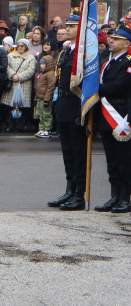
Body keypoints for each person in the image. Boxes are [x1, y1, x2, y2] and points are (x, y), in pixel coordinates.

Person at [47, 16, 88, 210]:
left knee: (78, 152)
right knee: (67, 152)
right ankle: (69, 189)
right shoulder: (65, 51)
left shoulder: (83, 53)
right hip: (63, 104)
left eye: (72, 26)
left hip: (76, 105)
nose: (68, 29)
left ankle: (79, 194)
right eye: (67, 26)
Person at [93, 25, 131, 212]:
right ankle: (114, 196)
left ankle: (125, 198)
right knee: (112, 161)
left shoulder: (128, 63)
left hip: (121, 117)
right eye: (110, 38)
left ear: (126, 44)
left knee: (124, 161)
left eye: (116, 39)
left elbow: (118, 87)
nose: (110, 40)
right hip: (106, 117)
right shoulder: (107, 62)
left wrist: (93, 88)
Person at [1, 39, 36, 133]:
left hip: (24, 84)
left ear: (26, 47)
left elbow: (31, 70)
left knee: (22, 106)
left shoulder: (31, 58)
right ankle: (11, 125)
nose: (20, 47)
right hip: (12, 84)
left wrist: (19, 77)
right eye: (18, 46)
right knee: (10, 105)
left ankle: (20, 126)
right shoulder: (10, 56)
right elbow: (6, 67)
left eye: (22, 46)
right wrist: (12, 75)